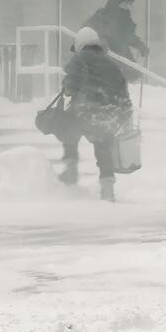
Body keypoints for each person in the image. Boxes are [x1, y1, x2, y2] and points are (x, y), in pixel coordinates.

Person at [58, 27, 133, 202]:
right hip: (108, 115)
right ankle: (107, 190)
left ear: (80, 44)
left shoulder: (78, 61)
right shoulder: (111, 64)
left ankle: (71, 169)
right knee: (103, 147)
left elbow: (69, 87)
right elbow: (122, 90)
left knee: (67, 130)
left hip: (84, 112)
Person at [84, 0, 148, 73]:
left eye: (129, 3)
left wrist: (139, 45)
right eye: (125, 3)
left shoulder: (125, 19)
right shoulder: (101, 16)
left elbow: (127, 36)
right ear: (117, 1)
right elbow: (87, 32)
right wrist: (101, 42)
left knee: (132, 74)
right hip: (105, 60)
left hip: (122, 57)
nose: (128, 6)